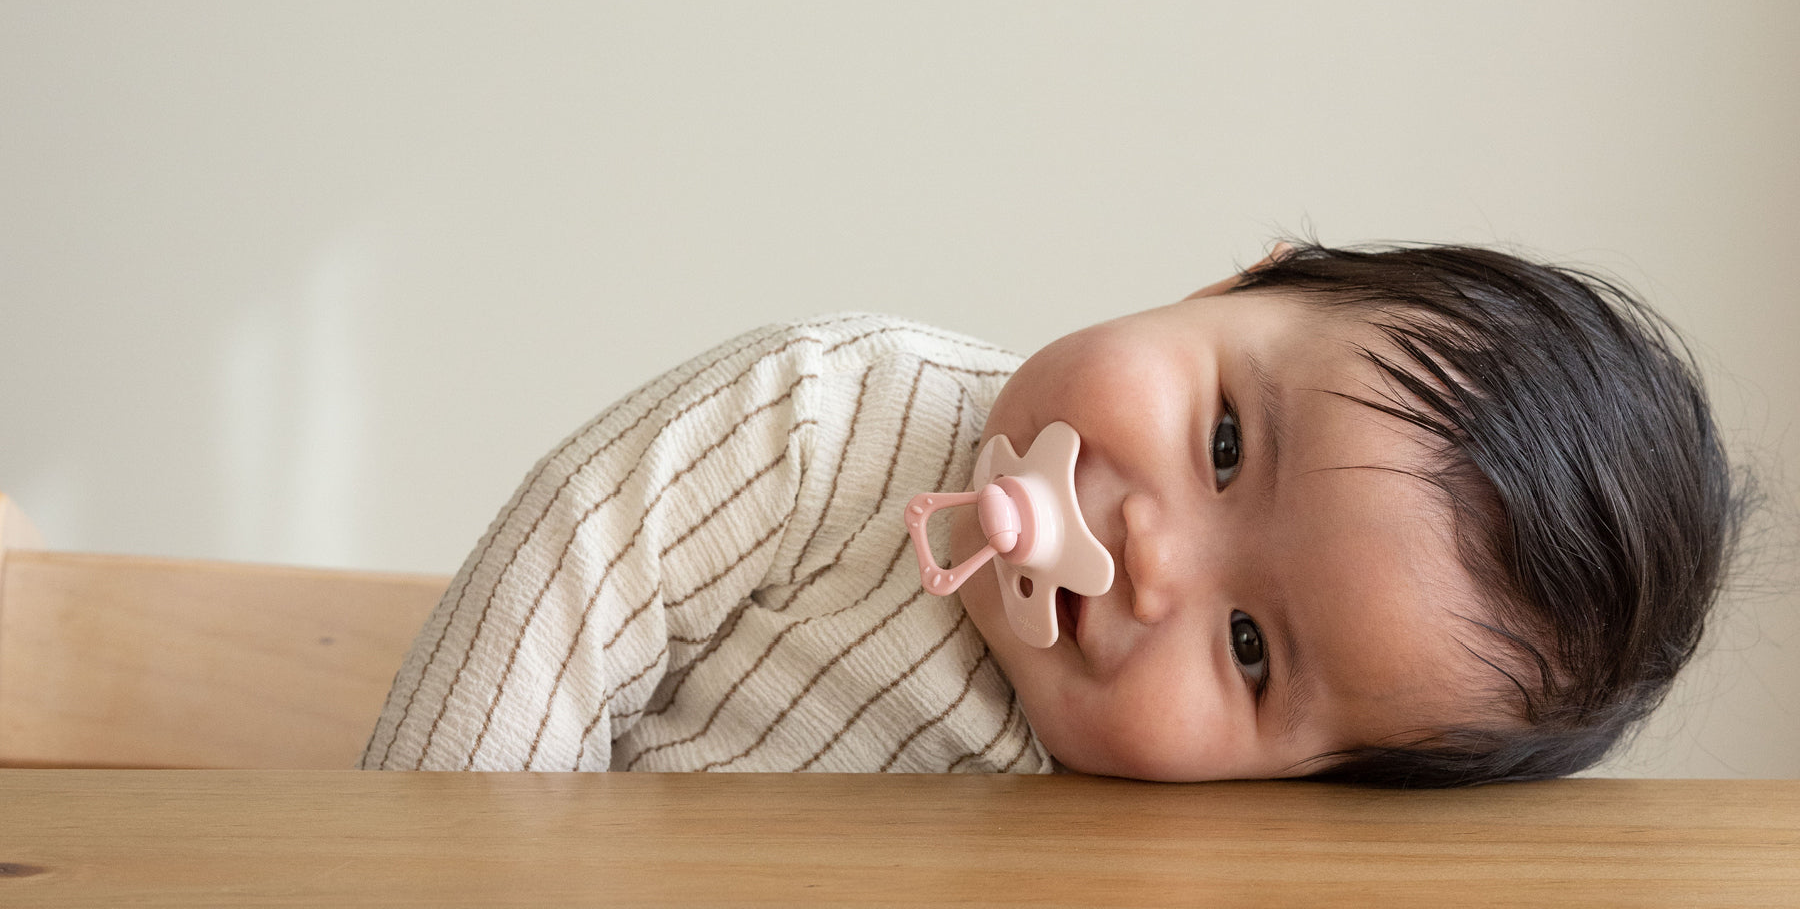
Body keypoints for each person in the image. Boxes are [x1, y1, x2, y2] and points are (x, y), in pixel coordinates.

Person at [361, 241, 1743, 786]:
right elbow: (559, 590)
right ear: (1233, 285)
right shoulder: (824, 421)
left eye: (1251, 650)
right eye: (1221, 442)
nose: (1154, 562)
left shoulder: (1171, 818)